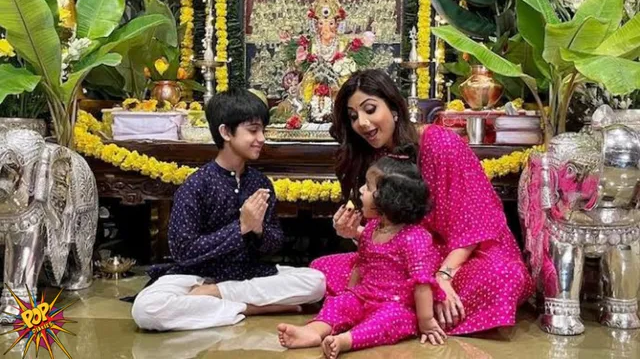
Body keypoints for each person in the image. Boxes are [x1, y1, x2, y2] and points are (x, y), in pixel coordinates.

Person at [311, 69, 533, 335]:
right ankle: (407, 313)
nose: (363, 123)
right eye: (354, 116)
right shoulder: (373, 156)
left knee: (502, 278)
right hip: (405, 260)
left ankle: (391, 313)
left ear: (394, 107)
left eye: (370, 109)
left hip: (460, 255)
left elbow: (475, 221)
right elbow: (386, 237)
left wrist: (444, 276)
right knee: (323, 269)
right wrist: (352, 233)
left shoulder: (440, 142)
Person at [131, 89, 326, 331]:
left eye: (262, 130)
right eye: (253, 130)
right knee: (147, 309)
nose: (262, 138)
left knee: (315, 282)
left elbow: (274, 244)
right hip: (196, 276)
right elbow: (183, 251)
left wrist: (258, 231)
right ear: (225, 132)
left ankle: (215, 296)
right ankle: (251, 308)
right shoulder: (195, 186)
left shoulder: (260, 184)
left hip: (246, 274)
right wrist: (240, 228)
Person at [278, 147, 446, 359]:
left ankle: (345, 340)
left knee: (390, 320)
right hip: (364, 296)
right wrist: (350, 295)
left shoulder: (414, 237)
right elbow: (361, 263)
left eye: (368, 187)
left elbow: (422, 282)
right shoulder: (371, 229)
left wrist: (426, 320)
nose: (360, 190)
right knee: (339, 303)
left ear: (388, 198)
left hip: (397, 305)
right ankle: (313, 332)